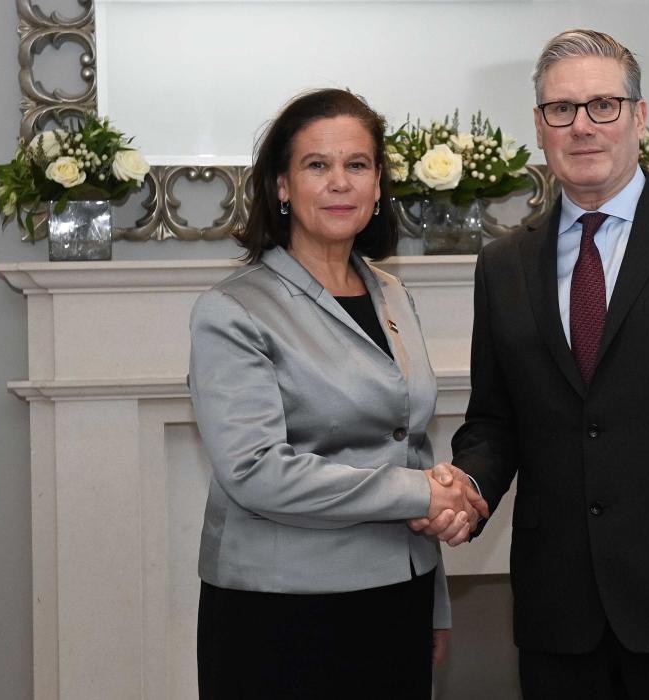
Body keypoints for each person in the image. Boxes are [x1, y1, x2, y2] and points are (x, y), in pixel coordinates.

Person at [419, 29, 649, 698]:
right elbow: (495, 422)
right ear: (539, 126)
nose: (582, 125)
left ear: (639, 116)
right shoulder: (503, 263)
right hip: (559, 612)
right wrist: (469, 489)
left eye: (603, 105)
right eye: (561, 109)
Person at [189, 88, 487, 699]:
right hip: (281, 613)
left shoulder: (392, 294)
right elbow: (254, 471)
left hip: (398, 599)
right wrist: (419, 492)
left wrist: (434, 600)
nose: (339, 183)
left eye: (357, 164)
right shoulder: (232, 310)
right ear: (281, 185)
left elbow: (409, 443)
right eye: (316, 165)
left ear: (377, 185)